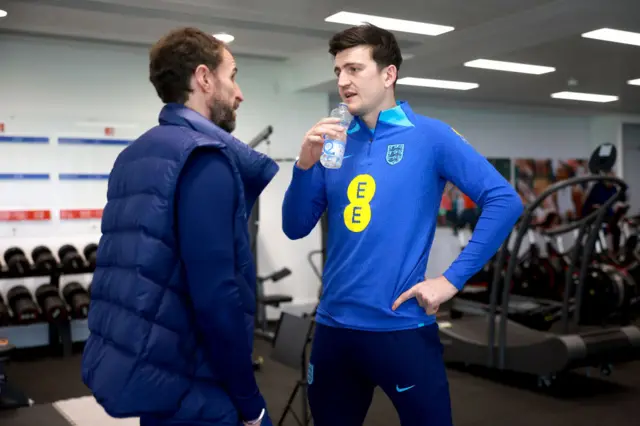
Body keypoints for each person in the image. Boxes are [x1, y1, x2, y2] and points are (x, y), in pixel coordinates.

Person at [281, 24, 523, 426]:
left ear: (388, 74)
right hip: (334, 329)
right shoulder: (335, 143)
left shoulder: (431, 137)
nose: (343, 81)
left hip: (401, 329)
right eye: (339, 71)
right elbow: (294, 226)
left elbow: (504, 200)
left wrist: (450, 280)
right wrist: (304, 166)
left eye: (355, 69)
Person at [81, 27, 278, 426]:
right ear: (204, 78)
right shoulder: (204, 158)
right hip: (196, 383)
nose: (239, 93)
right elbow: (216, 296)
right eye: (233, 75)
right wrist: (249, 401)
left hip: (159, 379)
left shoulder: (134, 156)